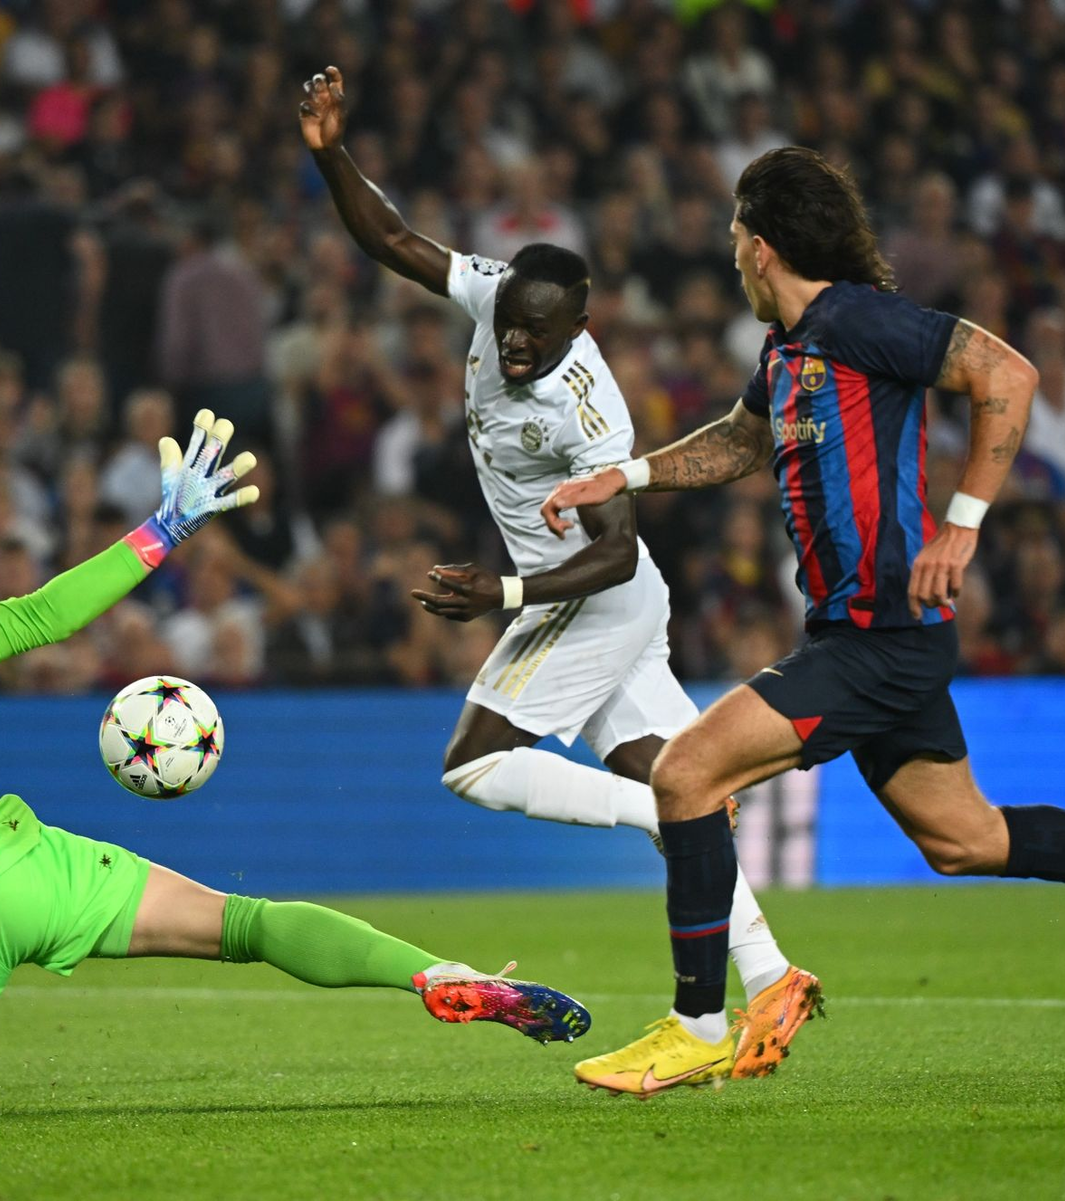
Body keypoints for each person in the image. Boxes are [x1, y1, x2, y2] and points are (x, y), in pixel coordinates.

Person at [300, 65, 820, 1080]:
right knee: (680, 776)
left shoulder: (590, 412)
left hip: (598, 596)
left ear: (580, 328)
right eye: (511, 331)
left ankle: (683, 813)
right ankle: (772, 979)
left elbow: (615, 550)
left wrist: (499, 595)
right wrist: (329, 155)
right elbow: (395, 241)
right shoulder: (496, 296)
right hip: (603, 603)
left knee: (473, 763)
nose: (517, 348)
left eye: (540, 336)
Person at [542, 146, 1064, 1097]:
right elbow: (738, 441)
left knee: (685, 770)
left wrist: (964, 523)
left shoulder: (859, 321)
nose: (732, 253)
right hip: (858, 634)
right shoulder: (786, 352)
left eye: (737, 236)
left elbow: (1008, 374)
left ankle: (697, 1025)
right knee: (966, 841)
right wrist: (626, 475)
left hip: (882, 636)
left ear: (764, 245)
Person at [0, 409, 589, 1049]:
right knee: (246, 922)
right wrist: (161, 530)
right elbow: (39, 616)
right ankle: (433, 971)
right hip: (19, 876)